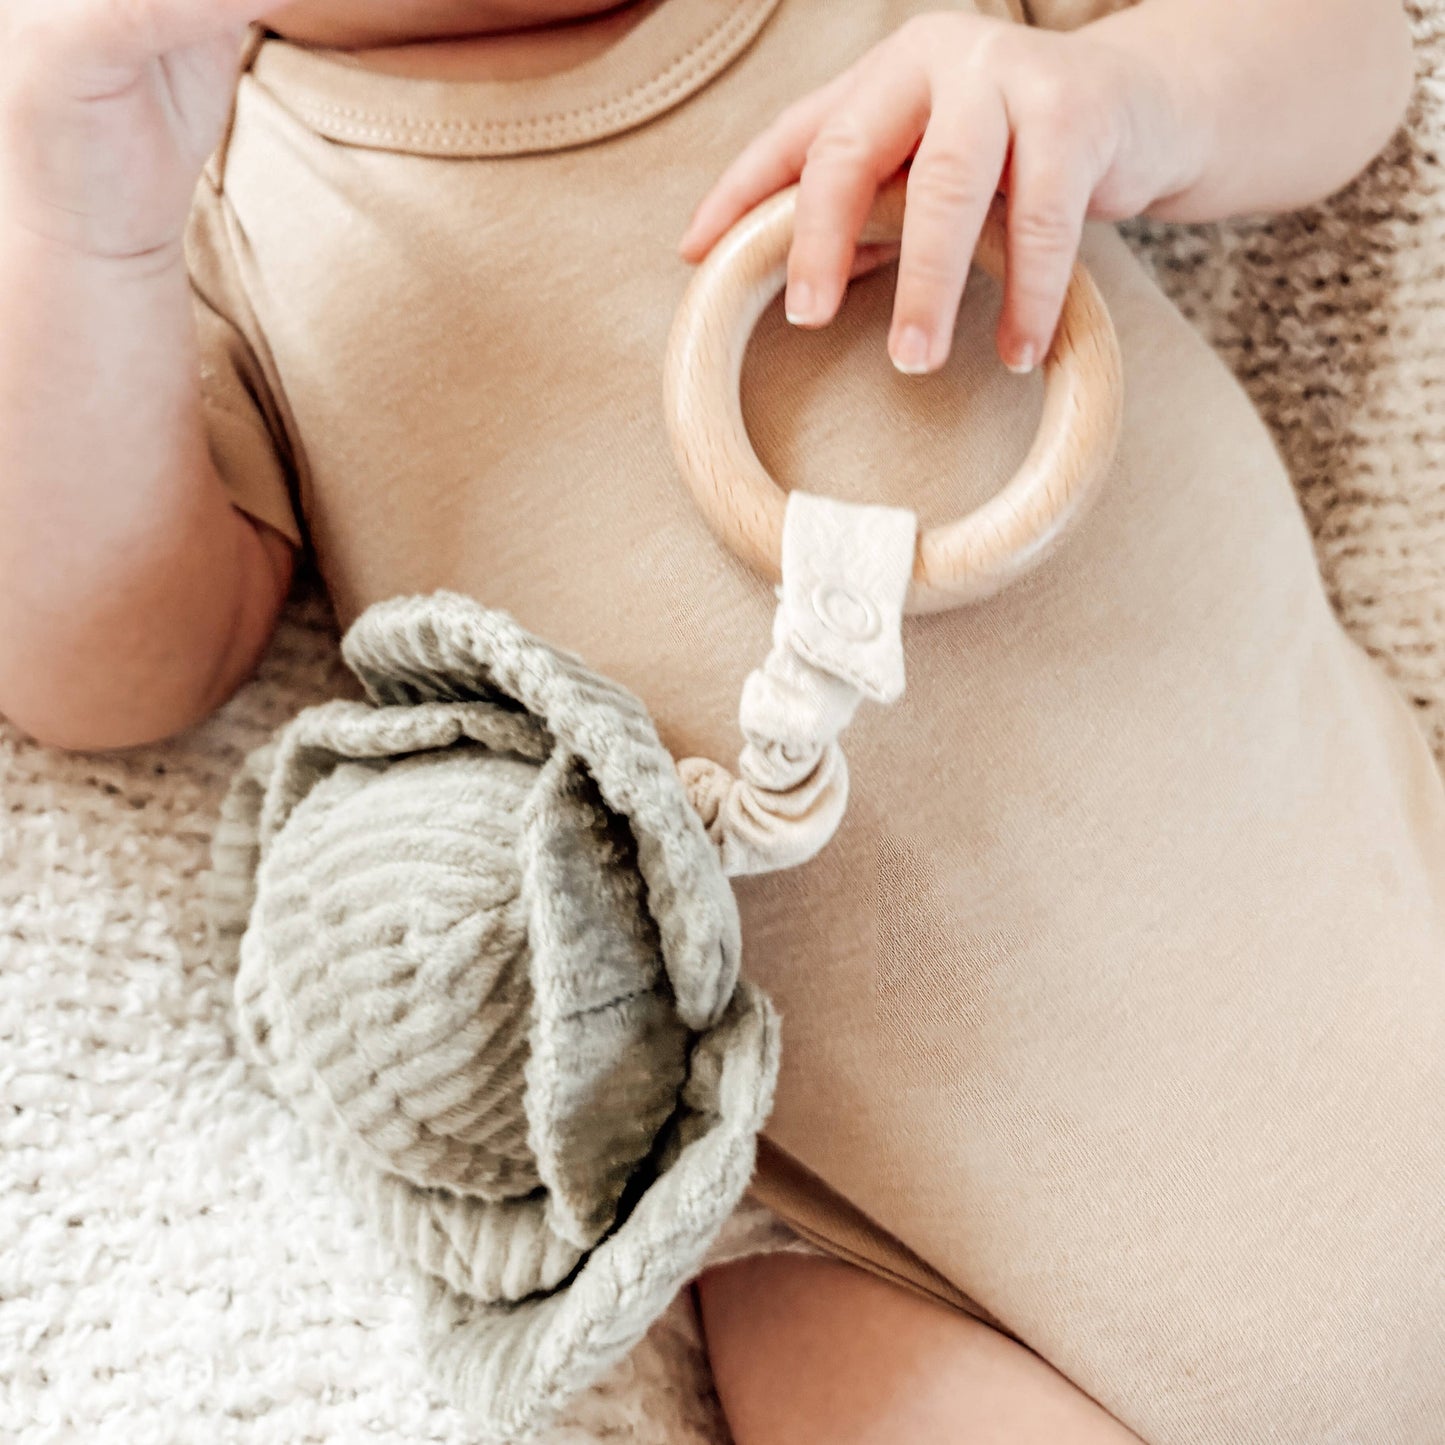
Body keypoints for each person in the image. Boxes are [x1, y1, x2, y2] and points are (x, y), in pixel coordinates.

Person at [2, 2, 1438, 1441]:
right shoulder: (219, 183)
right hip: (883, 1232)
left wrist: (1133, 95)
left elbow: (1349, 52)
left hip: (1343, 907)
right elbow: (110, 667)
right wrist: (86, 223)